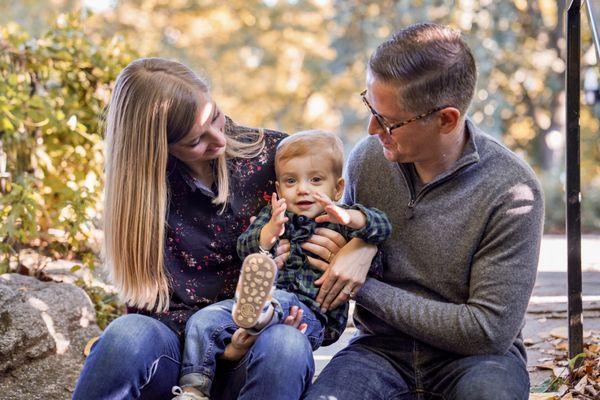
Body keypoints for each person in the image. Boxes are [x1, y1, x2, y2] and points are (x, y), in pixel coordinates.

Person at [72, 58, 350, 400]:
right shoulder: (145, 197)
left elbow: (348, 211)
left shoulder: (279, 159)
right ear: (161, 148)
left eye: (215, 117)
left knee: (286, 344)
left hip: (262, 348)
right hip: (178, 362)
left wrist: (360, 250)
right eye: (195, 140)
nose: (219, 139)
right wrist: (220, 351)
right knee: (126, 335)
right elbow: (150, 312)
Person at [304, 22, 544, 400]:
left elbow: (486, 330)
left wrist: (363, 286)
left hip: (477, 360)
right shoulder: (368, 160)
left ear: (446, 119)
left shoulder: (510, 189)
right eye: (369, 105)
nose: (370, 129)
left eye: (388, 121)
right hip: (379, 351)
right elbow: (344, 247)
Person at [174, 130, 392, 399]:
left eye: (315, 180)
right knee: (203, 319)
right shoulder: (276, 216)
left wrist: (351, 219)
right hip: (254, 305)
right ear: (278, 189)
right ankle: (193, 388)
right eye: (291, 181)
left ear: (337, 188)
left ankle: (264, 312)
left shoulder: (340, 220)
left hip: (312, 316)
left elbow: (382, 227)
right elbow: (246, 248)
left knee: (278, 301)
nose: (303, 189)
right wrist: (268, 234)